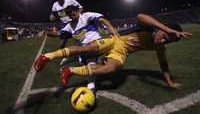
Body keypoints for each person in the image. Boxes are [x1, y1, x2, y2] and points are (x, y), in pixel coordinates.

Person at [34, 13, 192, 89]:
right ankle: (46, 57)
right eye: (164, 36)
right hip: (115, 39)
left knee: (111, 68)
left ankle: (70, 70)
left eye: (167, 41)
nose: (163, 40)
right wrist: (167, 29)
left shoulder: (159, 46)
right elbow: (140, 16)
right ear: (161, 29)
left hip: (121, 52)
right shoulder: (149, 27)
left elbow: (163, 65)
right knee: (86, 48)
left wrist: (170, 82)